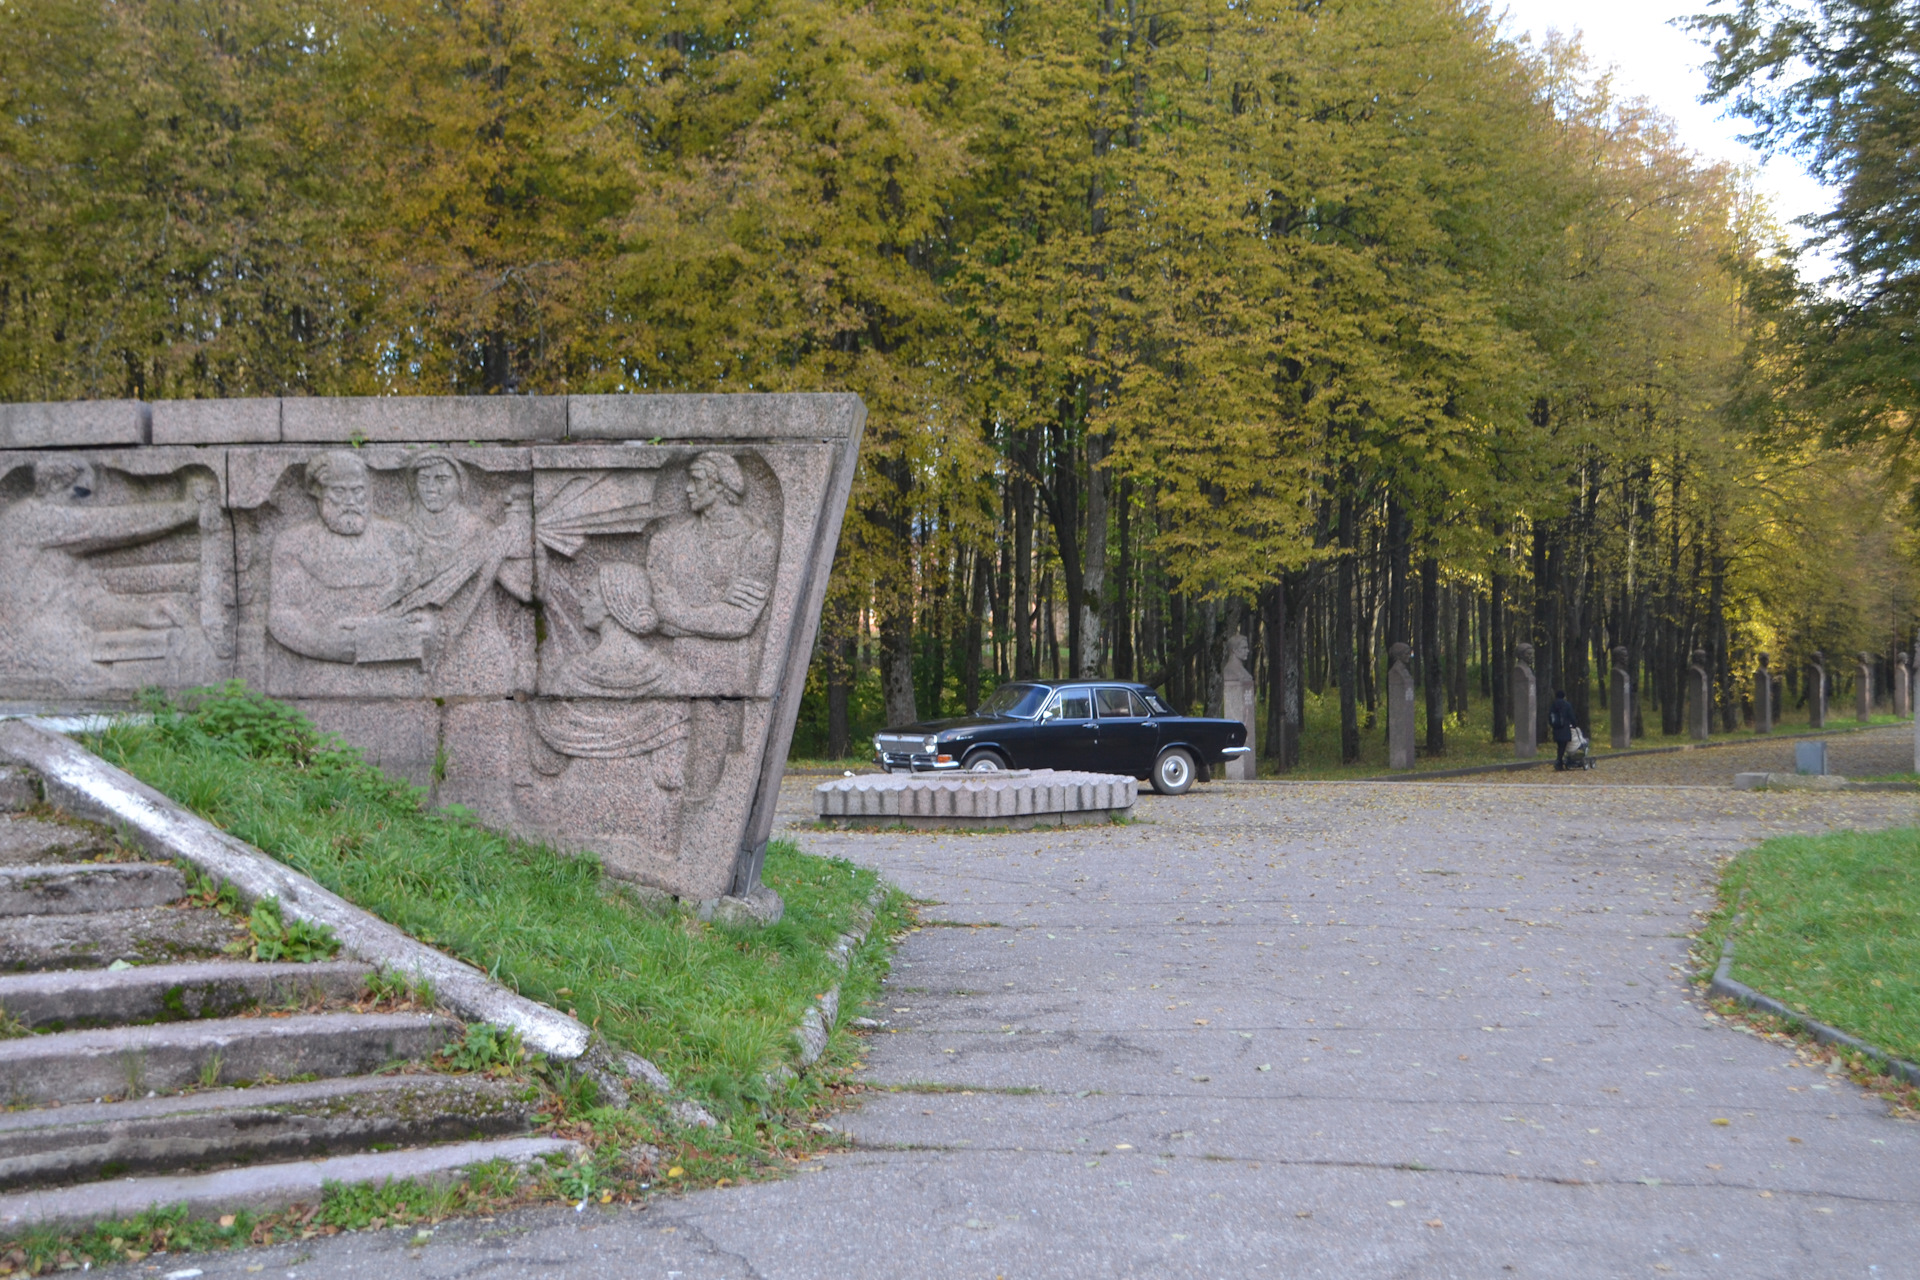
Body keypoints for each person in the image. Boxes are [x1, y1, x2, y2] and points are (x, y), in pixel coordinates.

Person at [1548, 688, 1577, 770]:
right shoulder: (1567, 705)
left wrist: (1552, 725)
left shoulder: (1553, 705)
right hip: (1565, 728)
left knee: (1560, 746)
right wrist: (1574, 725)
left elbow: (1550, 717)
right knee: (1563, 746)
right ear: (1564, 696)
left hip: (1556, 728)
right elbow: (1571, 716)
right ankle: (1559, 761)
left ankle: (1560, 762)